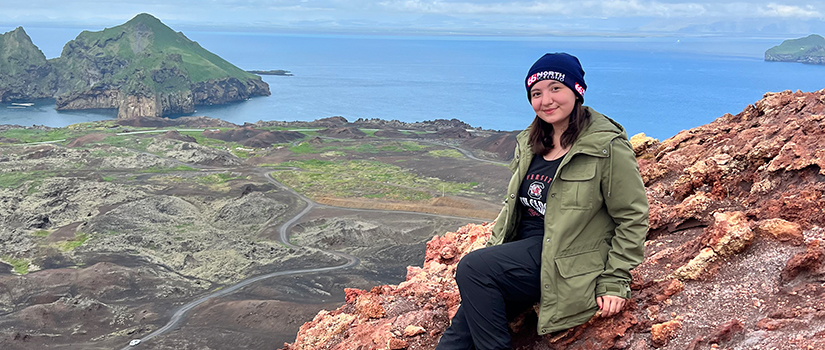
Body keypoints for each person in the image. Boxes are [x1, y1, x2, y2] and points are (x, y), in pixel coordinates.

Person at [435, 52, 649, 350]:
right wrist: (496, 253)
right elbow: (515, 210)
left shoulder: (605, 147)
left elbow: (632, 217)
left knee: (473, 268)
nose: (545, 100)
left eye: (555, 89)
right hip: (525, 255)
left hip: (567, 259)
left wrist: (615, 280)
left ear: (577, 91)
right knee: (456, 340)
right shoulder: (530, 143)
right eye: (536, 93)